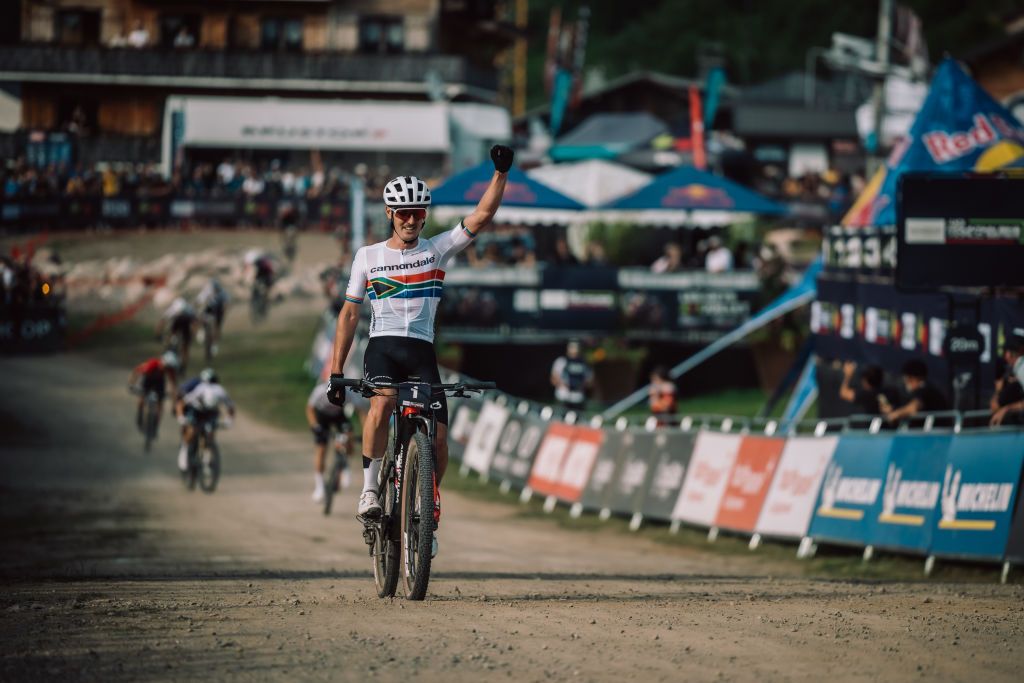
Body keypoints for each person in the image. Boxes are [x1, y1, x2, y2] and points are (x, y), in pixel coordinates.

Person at [324, 144, 514, 557]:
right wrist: (336, 372)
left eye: (417, 213)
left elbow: (480, 217)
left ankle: (427, 508)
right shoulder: (368, 256)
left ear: (425, 215)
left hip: (422, 353)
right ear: (390, 214)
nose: (411, 220)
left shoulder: (437, 248)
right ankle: (370, 490)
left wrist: (500, 173)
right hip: (383, 349)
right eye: (403, 213)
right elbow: (349, 315)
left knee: (441, 440)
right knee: (382, 403)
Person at [175, 368, 235, 473]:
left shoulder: (220, 391)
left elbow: (231, 407)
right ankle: (184, 451)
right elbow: (181, 403)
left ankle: (206, 459)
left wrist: (229, 420)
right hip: (196, 411)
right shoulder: (200, 390)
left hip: (211, 412)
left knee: (210, 433)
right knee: (192, 431)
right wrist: (181, 417)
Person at [306, 380, 353, 502]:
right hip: (322, 417)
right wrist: (315, 426)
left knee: (348, 435)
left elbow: (361, 411)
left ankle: (345, 465)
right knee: (321, 450)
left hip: (339, 416)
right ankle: (319, 487)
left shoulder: (347, 393)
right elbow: (310, 409)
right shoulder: (320, 391)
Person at [883, 359, 948, 424]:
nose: (906, 384)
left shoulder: (926, 390)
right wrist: (893, 409)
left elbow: (913, 407)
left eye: (908, 380)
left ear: (914, 379)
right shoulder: (929, 390)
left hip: (935, 431)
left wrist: (895, 414)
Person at [129, 351, 180, 432]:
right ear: (163, 362)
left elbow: (174, 386)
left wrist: (174, 403)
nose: (166, 369)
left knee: (160, 405)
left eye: (169, 368)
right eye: (166, 367)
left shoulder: (170, 370)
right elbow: (137, 370)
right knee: (141, 400)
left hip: (159, 383)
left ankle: (155, 425)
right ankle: (139, 416)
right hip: (148, 380)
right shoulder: (153, 364)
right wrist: (132, 383)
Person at [550, 339, 593, 414]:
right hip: (563, 396)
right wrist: (564, 385)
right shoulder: (561, 361)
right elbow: (553, 379)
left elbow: (590, 381)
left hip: (578, 398)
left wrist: (579, 385)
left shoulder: (584, 363)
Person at [990, 332, 1024, 426]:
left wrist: (1007, 409)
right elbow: (994, 406)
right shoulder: (1016, 371)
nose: (1005, 356)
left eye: (1006, 351)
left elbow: (994, 406)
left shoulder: (1021, 367)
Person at [156, 297, 196, 369]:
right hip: (181, 323)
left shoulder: (182, 310)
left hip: (182, 322)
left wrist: (158, 334)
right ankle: (183, 365)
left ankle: (181, 364)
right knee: (183, 346)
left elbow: (162, 321)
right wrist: (193, 334)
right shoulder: (186, 309)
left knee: (178, 342)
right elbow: (194, 323)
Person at [195, 278, 229, 354]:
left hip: (219, 311)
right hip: (210, 308)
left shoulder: (223, 293)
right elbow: (198, 301)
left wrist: (224, 313)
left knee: (217, 327)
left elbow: (226, 305)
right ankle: (201, 330)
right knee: (201, 315)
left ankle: (214, 344)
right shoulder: (207, 292)